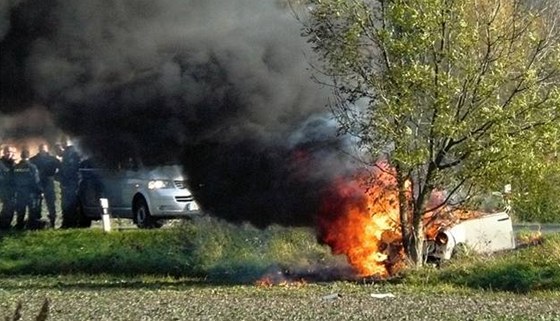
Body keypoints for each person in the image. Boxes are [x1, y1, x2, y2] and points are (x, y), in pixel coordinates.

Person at [30, 144, 61, 228]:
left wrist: (56, 176)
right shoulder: (33, 160)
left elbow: (61, 169)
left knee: (51, 203)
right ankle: (36, 222)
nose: (42, 151)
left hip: (49, 182)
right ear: (39, 150)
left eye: (44, 149)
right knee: (36, 203)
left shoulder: (53, 159)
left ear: (47, 150)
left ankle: (53, 221)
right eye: (41, 149)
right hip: (37, 183)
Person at [13, 148, 43, 230]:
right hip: (31, 193)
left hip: (19, 193)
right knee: (32, 210)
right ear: (29, 156)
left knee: (20, 211)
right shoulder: (32, 167)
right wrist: (40, 191)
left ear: (21, 156)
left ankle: (19, 227)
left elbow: (13, 180)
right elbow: (36, 180)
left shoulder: (15, 167)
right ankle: (31, 227)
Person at [58, 141, 81, 228]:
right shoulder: (73, 153)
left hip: (71, 183)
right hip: (70, 183)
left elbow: (67, 169)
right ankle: (70, 223)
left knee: (69, 203)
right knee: (70, 203)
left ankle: (68, 223)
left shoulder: (71, 153)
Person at [0, 146, 16, 229]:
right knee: (8, 206)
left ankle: (6, 224)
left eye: (10, 152)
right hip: (4, 189)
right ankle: (4, 224)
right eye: (7, 152)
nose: (9, 153)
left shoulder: (13, 163)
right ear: (3, 152)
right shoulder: (1, 163)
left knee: (11, 206)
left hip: (12, 190)